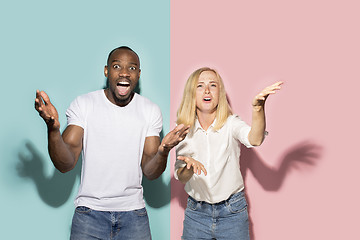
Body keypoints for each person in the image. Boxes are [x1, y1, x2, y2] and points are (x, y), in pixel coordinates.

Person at [35, 46, 189, 240]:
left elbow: (150, 172)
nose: (124, 73)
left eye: (132, 68)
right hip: (89, 215)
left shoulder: (149, 110)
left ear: (138, 74)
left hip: (134, 215)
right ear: (107, 71)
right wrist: (53, 129)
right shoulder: (84, 104)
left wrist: (164, 150)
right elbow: (65, 163)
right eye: (117, 66)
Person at [174, 67, 282, 240]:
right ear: (191, 93)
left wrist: (258, 109)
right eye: (200, 86)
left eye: (213, 85)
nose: (207, 90)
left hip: (232, 212)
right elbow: (181, 175)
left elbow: (254, 139)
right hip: (197, 214)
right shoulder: (183, 131)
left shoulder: (232, 123)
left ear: (220, 93)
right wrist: (188, 168)